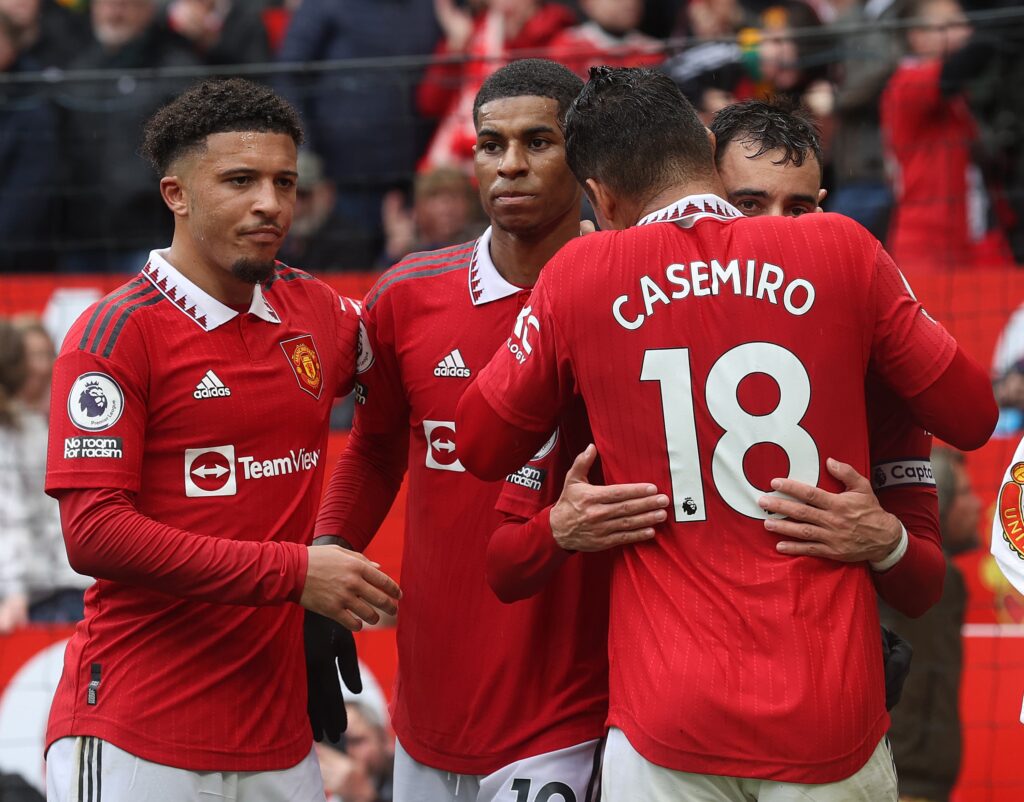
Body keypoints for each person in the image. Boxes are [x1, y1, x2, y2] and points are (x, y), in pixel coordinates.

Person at [457, 66, 996, 799]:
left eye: (797, 205)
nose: (775, 219)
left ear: (600, 198)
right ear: (707, 155)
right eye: (754, 201)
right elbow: (974, 417)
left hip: (667, 714)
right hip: (825, 711)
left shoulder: (581, 274)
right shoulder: (843, 251)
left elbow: (478, 445)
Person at [42, 78, 401, 801]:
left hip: (281, 738)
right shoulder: (114, 334)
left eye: (284, 182)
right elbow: (95, 535)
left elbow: (401, 404)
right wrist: (297, 573)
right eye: (241, 181)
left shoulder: (320, 311)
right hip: (136, 733)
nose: (270, 203)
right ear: (176, 194)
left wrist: (333, 539)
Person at [315, 59, 621, 801]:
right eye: (491, 144)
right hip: (430, 704)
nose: (510, 164)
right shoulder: (406, 295)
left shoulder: (627, 290)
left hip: (571, 706)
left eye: (538, 142)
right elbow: (375, 448)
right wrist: (329, 549)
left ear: (583, 154)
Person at [881, 0, 1015, 271]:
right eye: (951, 24)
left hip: (971, 238)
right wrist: (1006, 22)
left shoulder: (955, 95)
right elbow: (965, 63)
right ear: (917, 36)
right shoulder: (906, 83)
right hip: (928, 246)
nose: (966, 31)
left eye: (964, 23)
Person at [881, 447, 980, 802]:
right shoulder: (934, 580)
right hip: (910, 779)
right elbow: (919, 684)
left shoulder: (903, 571)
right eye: (965, 492)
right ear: (938, 503)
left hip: (906, 772)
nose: (978, 504)